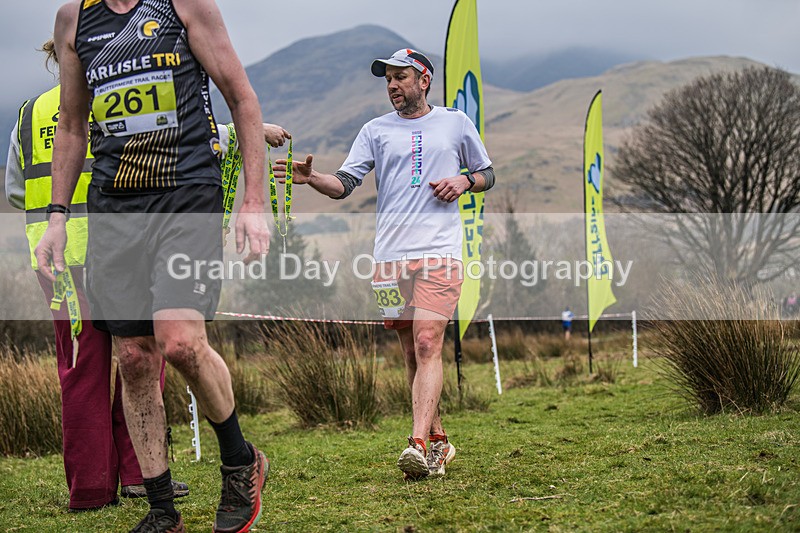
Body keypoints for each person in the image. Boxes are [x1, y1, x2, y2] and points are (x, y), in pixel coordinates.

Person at [35, 1, 286, 531]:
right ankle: (161, 509)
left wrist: (254, 200)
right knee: (133, 357)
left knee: (179, 342)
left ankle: (241, 463)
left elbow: (242, 99)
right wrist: (57, 216)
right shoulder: (74, 19)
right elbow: (74, 125)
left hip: (185, 193)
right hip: (113, 207)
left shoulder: (182, 4)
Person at [273, 48, 494, 480]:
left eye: (400, 77)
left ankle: (415, 444)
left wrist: (465, 180)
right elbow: (345, 183)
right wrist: (312, 179)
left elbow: (488, 173)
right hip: (390, 257)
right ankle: (439, 441)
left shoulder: (455, 123)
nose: (392, 85)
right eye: (387, 79)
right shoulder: (375, 130)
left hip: (441, 251)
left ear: (424, 79)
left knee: (429, 342)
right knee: (412, 351)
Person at [5, 39, 189, 512]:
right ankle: (139, 477)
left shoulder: (28, 113)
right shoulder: (115, 98)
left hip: (58, 261)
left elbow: (15, 193)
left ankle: (89, 488)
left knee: (80, 368)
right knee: (141, 359)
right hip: (120, 253)